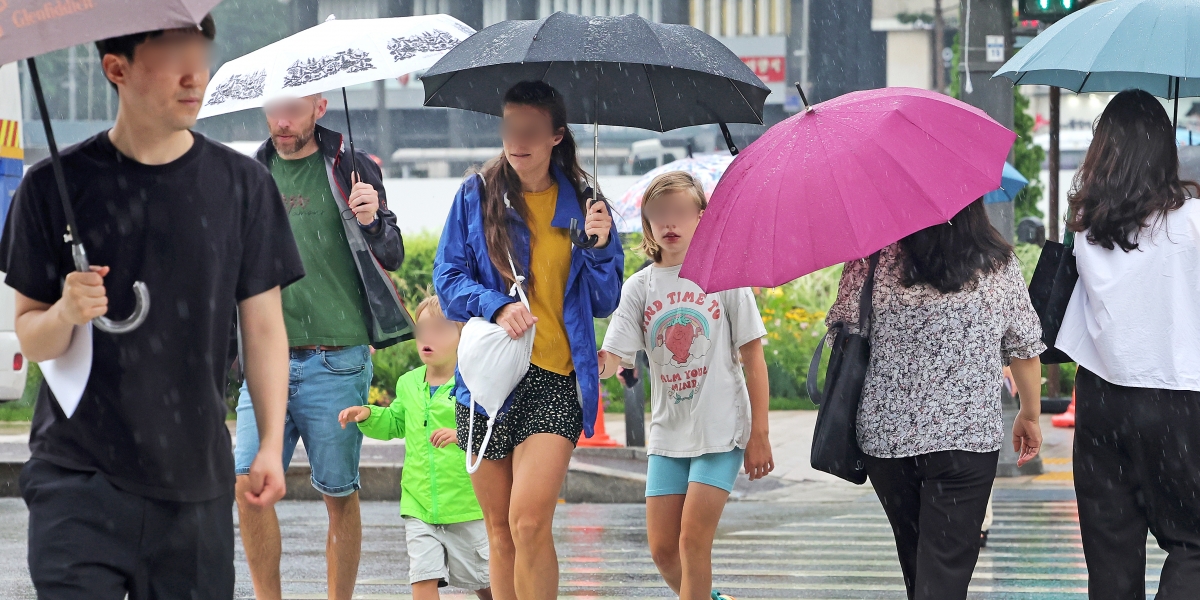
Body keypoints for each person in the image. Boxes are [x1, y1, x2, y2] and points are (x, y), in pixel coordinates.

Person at [2, 16, 304, 597]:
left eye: (201, 55)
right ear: (116, 68)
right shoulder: (51, 189)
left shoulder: (242, 186)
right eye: (173, 58)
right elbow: (33, 338)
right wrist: (65, 311)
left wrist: (269, 442)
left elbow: (264, 328)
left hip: (194, 484)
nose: (196, 77)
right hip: (76, 479)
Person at [434, 80, 623, 600]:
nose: (516, 140)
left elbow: (604, 300)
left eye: (530, 131)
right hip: (489, 380)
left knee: (528, 522)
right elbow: (447, 279)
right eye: (509, 127)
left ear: (557, 136)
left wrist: (601, 247)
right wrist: (496, 305)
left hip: (556, 378)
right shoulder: (476, 195)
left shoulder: (586, 205)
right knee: (499, 531)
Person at [232, 93, 411, 600]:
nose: (281, 122)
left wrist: (374, 221)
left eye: (293, 110)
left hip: (338, 359)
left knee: (338, 494)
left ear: (321, 107)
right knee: (249, 487)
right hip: (266, 361)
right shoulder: (250, 173)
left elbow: (392, 254)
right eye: (273, 110)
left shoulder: (350, 167)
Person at [825, 198, 1045, 600]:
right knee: (943, 571)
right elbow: (1025, 348)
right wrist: (1030, 414)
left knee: (916, 563)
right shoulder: (997, 264)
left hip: (888, 440)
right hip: (966, 440)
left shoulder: (871, 260)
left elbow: (843, 328)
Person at [597, 172, 774, 600]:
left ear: (701, 217)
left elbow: (753, 357)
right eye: (659, 214)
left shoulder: (724, 276)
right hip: (669, 432)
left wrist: (760, 435)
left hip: (720, 429)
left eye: (680, 212)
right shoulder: (639, 287)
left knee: (693, 542)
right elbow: (611, 360)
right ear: (647, 223)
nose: (669, 222)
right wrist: (576, 351)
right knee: (662, 550)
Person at [1057, 89, 1200, 599]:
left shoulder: (1089, 227)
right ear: (1165, 149)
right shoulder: (1194, 223)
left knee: (1111, 556)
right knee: (1193, 544)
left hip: (1101, 400)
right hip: (1180, 401)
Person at [339, 296, 493, 600]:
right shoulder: (409, 383)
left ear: (463, 335)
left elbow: (493, 430)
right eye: (422, 330)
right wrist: (369, 415)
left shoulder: (476, 383)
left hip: (467, 506)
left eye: (440, 329)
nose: (428, 338)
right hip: (419, 504)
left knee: (486, 583)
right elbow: (397, 421)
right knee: (423, 580)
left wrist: (462, 434)